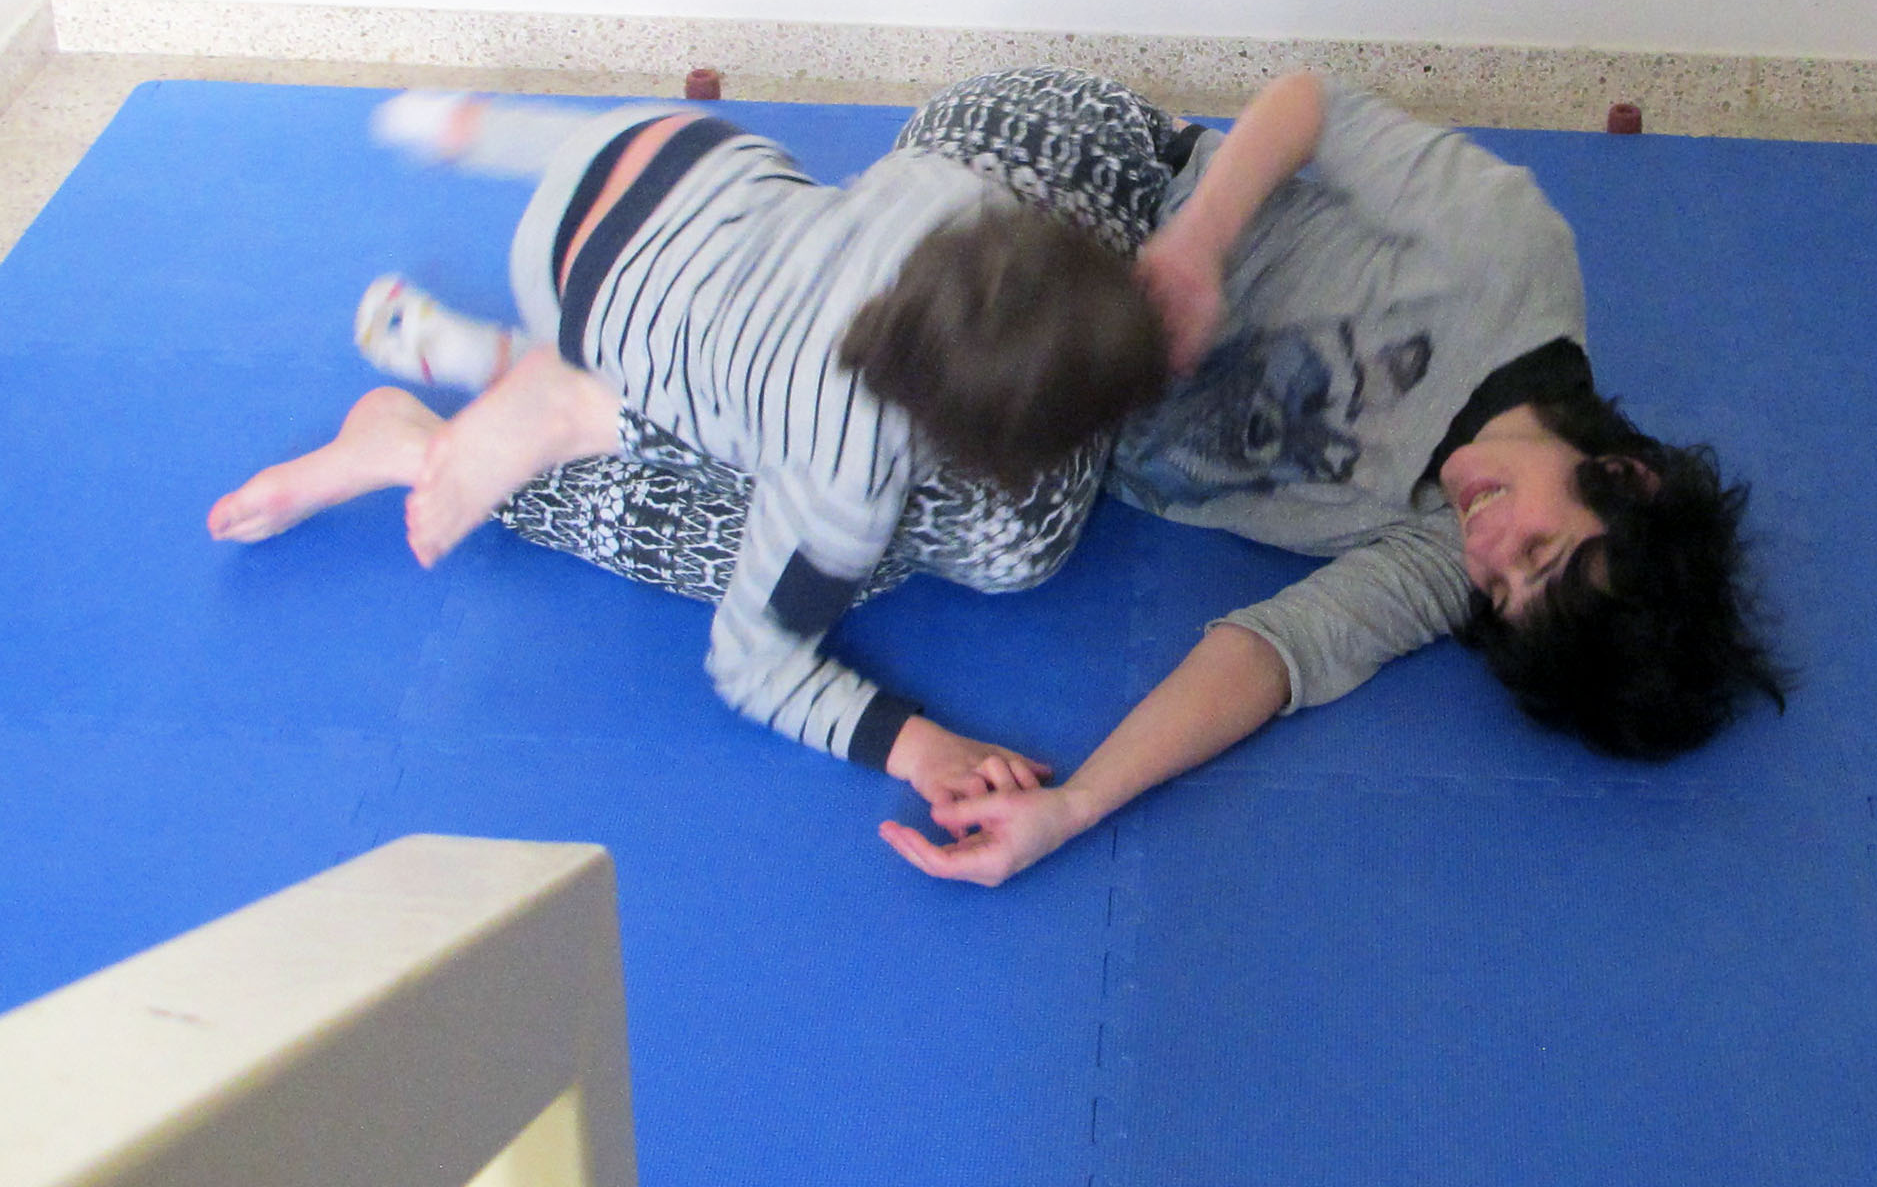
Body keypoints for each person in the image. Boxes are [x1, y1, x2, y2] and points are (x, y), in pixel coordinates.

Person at [878, 69, 1788, 886]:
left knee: (980, 520)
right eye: (1539, 551)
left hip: (1058, 405)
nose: (1489, 551)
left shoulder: (1446, 555)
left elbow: (1273, 653)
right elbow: (1309, 104)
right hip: (1116, 192)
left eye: (1504, 592)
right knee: (975, 488)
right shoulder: (1510, 255)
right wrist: (1196, 247)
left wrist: (1073, 807)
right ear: (1624, 476)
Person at [208, 93, 1168, 806]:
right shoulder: (842, 475)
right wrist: (915, 747)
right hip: (583, 301)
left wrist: (491, 135)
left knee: (750, 280)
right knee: (725, 417)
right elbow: (753, 664)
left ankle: (476, 278)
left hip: (660, 150)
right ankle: (559, 397)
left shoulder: (955, 195)